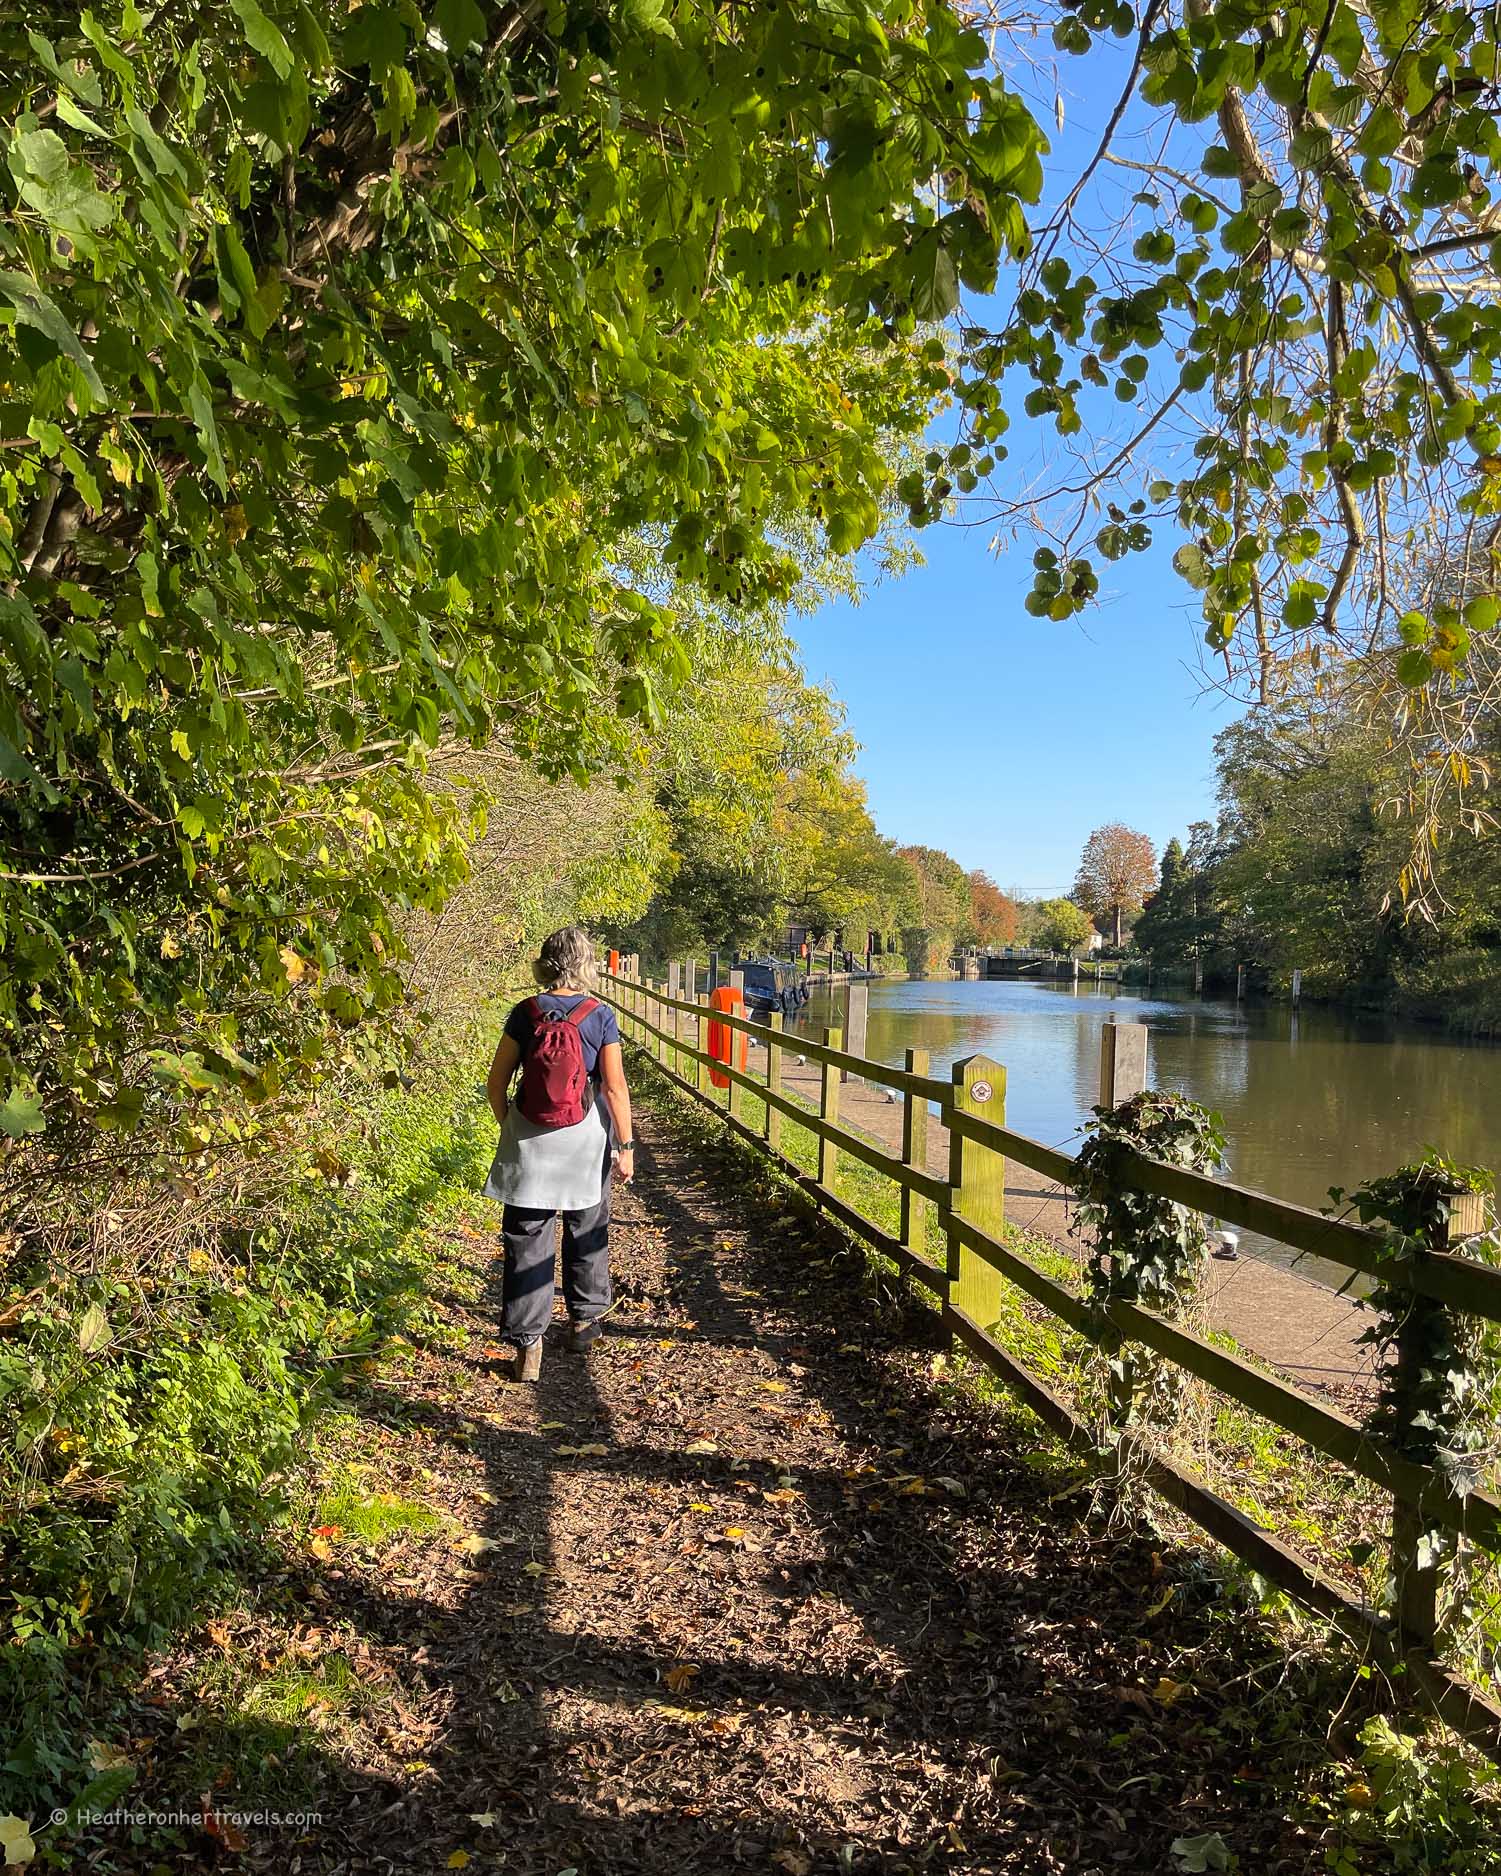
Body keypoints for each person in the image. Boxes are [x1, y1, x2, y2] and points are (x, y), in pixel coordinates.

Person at [483, 927, 635, 1382]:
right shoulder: (599, 1016)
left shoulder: (524, 1013)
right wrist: (624, 1146)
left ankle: (529, 1347)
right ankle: (584, 1324)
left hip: (529, 1138)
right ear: (586, 964)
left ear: (545, 963)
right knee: (587, 1227)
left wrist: (509, 1121)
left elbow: (496, 1081)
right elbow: (613, 1087)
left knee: (527, 1237)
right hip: (584, 1139)